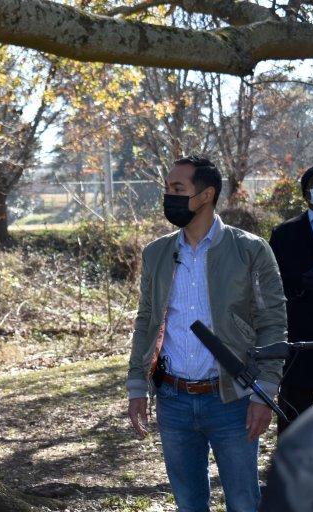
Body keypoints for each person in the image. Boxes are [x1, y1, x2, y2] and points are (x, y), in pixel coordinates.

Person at [127, 155, 287, 512]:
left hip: (232, 401)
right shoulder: (157, 253)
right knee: (188, 503)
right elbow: (147, 322)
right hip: (173, 401)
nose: (168, 196)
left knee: (244, 502)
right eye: (167, 188)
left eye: (177, 189)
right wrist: (138, 386)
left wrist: (266, 392)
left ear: (206, 194)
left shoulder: (250, 249)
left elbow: (273, 322)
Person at [268, 165, 313, 434]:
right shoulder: (285, 233)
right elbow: (271, 282)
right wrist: (298, 284)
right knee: (294, 411)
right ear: (305, 194)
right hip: (301, 336)